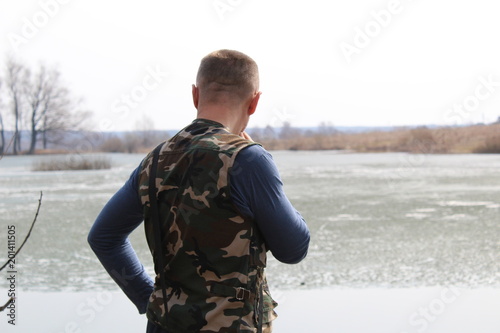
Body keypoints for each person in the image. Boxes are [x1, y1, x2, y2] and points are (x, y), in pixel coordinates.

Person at [88, 49, 310, 333]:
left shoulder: (155, 160)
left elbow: (104, 237)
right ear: (254, 102)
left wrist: (148, 300)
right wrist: (265, 178)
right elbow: (294, 249)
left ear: (195, 95)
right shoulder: (248, 160)